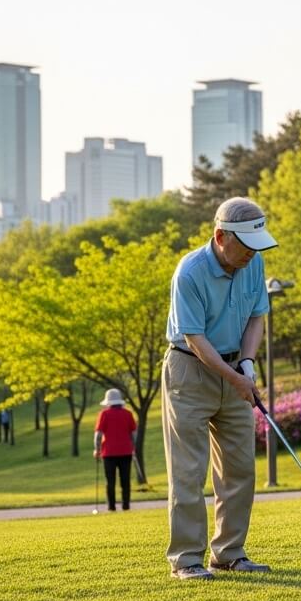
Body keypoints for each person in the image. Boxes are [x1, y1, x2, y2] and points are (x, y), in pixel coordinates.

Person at [162, 197, 276, 580]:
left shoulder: (253, 261)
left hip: (233, 366)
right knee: (189, 470)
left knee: (239, 467)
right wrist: (236, 378)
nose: (252, 254)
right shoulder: (190, 272)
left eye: (256, 246)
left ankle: (229, 552)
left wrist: (247, 363)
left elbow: (257, 317)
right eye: (245, 245)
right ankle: (186, 559)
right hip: (190, 371)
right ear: (220, 236)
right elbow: (194, 339)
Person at [93, 388, 138, 512]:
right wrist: (133, 447)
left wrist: (96, 449)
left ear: (108, 402)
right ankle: (126, 506)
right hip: (126, 451)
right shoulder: (128, 414)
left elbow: (98, 435)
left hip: (108, 453)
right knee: (125, 480)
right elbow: (134, 434)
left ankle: (111, 507)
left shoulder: (104, 414)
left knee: (110, 481)